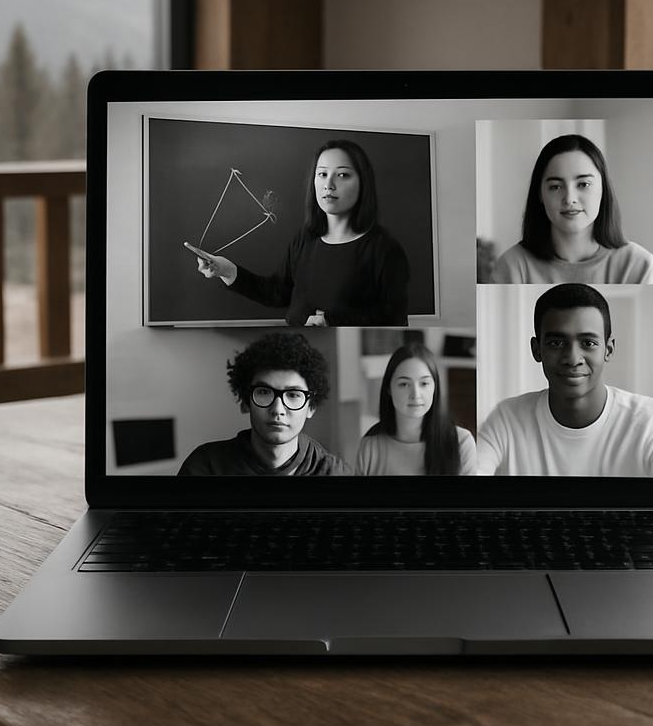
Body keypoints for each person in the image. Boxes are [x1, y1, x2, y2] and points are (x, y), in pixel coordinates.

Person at [476, 283, 653, 477]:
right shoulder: (505, 419)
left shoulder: (652, 421)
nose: (572, 359)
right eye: (556, 343)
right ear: (536, 349)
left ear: (608, 349)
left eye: (588, 343)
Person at [186, 139, 410, 325]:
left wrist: (333, 321)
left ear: (363, 183)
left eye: (342, 175)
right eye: (322, 174)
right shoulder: (305, 239)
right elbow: (277, 293)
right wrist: (226, 270)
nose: (328, 185)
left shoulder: (384, 250)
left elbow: (394, 321)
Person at [490, 133, 653, 284]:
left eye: (583, 184)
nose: (570, 199)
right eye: (556, 186)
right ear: (540, 194)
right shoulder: (511, 266)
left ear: (603, 189)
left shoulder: (638, 265)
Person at [178, 332, 352, 476]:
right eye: (264, 392)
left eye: (293, 395)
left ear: (311, 407)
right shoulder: (206, 466)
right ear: (246, 402)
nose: (277, 409)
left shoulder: (334, 472)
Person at [356, 343, 476, 476]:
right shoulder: (369, 449)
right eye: (404, 384)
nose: (415, 394)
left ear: (435, 387)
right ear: (389, 388)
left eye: (424, 383)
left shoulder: (461, 443)